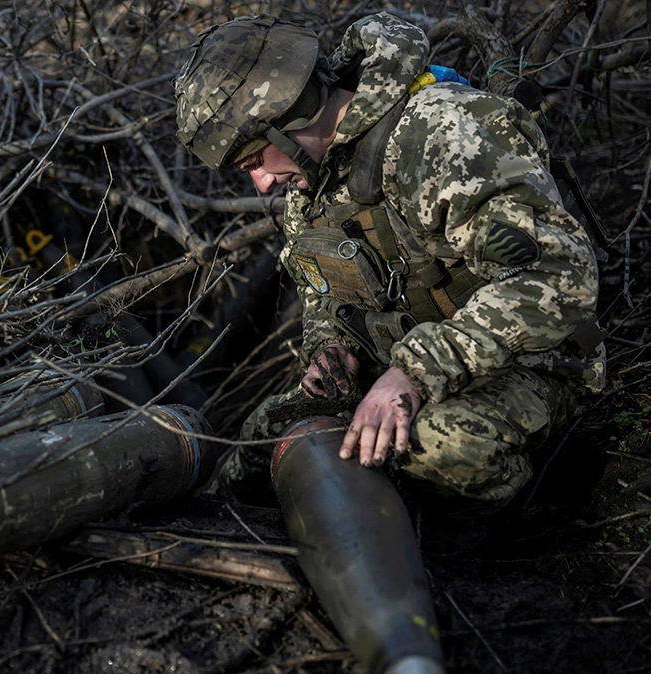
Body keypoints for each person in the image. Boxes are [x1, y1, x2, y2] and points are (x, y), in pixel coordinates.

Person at [173, 12, 606, 518]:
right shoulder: (311, 179)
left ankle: (523, 537)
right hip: (406, 368)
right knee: (263, 442)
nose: (262, 185)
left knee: (441, 448)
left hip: (526, 364)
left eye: (253, 162)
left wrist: (414, 373)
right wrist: (331, 350)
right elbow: (325, 294)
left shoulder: (443, 132)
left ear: (290, 119)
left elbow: (556, 278)